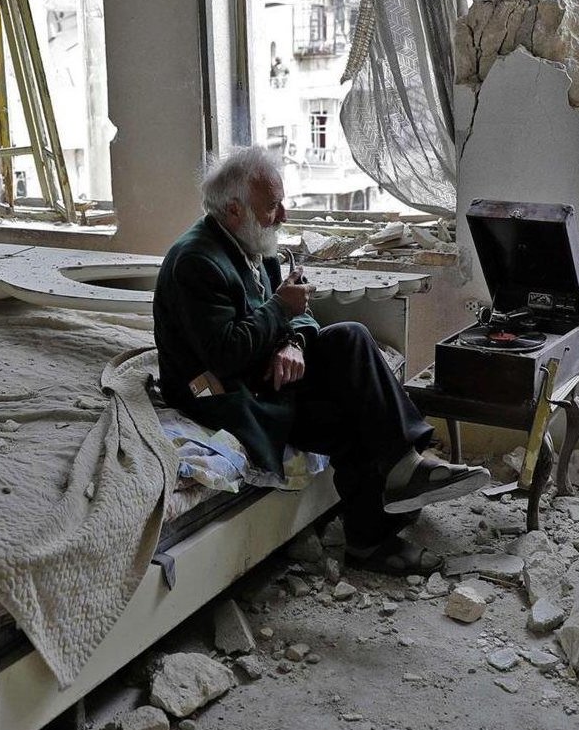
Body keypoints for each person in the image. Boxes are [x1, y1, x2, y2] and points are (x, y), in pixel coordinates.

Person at [153, 146, 490, 574]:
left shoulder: (255, 245)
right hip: (223, 392)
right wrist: (279, 310)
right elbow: (224, 355)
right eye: (272, 207)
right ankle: (374, 534)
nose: (283, 216)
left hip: (265, 371)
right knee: (351, 415)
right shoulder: (196, 261)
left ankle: (404, 472)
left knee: (351, 338)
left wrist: (292, 341)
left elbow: (305, 315)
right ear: (234, 210)